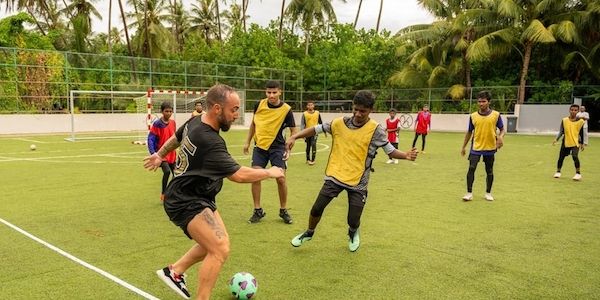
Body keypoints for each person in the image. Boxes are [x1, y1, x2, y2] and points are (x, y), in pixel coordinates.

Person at [143, 84, 285, 300]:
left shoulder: (195, 121)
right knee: (219, 249)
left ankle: (174, 271)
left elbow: (177, 138)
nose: (236, 115)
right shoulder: (210, 140)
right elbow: (238, 175)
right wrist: (271, 172)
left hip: (198, 196)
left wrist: (160, 154)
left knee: (217, 242)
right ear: (217, 108)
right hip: (185, 201)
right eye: (234, 109)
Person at [285, 90, 418, 252]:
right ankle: (309, 232)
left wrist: (405, 155)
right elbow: (316, 129)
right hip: (335, 175)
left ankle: (353, 232)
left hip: (358, 182)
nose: (358, 114)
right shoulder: (339, 123)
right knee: (316, 208)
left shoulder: (376, 130)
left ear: (371, 110)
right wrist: (294, 137)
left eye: (363, 111)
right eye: (355, 109)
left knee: (353, 219)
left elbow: (390, 151)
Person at [243, 80, 297, 224]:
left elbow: (293, 130)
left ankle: (283, 210)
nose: (271, 95)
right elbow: (253, 124)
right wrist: (248, 141)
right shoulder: (259, 105)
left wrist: (289, 147)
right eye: (268, 92)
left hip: (278, 147)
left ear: (280, 92)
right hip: (260, 147)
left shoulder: (286, 109)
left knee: (281, 178)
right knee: (255, 176)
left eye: (274, 92)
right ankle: (257, 210)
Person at [460, 91, 505, 202]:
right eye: (479, 102)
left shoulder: (496, 115)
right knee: (471, 168)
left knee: (489, 170)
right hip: (476, 147)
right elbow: (469, 132)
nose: (481, 104)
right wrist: (463, 146)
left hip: (490, 147)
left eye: (483, 101)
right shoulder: (473, 116)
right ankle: (469, 193)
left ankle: (488, 193)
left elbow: (502, 129)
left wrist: (500, 137)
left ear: (489, 102)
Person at [148, 102, 177, 201]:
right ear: (162, 112)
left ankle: (171, 192)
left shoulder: (173, 123)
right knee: (167, 171)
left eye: (170, 111)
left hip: (172, 153)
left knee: (177, 174)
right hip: (161, 154)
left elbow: (175, 137)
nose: (168, 113)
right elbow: (151, 138)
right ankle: (164, 193)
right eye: (166, 111)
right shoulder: (157, 124)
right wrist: (153, 153)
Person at [553, 104, 586, 181]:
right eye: (572, 110)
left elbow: (581, 133)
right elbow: (561, 131)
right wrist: (556, 139)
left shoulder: (581, 121)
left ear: (578, 111)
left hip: (575, 142)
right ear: (569, 110)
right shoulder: (564, 120)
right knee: (561, 157)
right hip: (566, 141)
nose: (573, 111)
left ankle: (578, 174)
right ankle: (558, 172)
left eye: (575, 110)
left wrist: (582, 143)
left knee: (575, 156)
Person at [301, 100, 325, 165]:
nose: (310, 106)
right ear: (307, 106)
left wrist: (323, 129)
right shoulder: (304, 114)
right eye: (309, 105)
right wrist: (302, 133)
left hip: (315, 132)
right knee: (308, 146)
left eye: (311, 105)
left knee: (313, 144)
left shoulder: (317, 113)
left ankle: (313, 159)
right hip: (307, 132)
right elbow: (302, 124)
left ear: (313, 106)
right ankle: (308, 159)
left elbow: (320, 122)